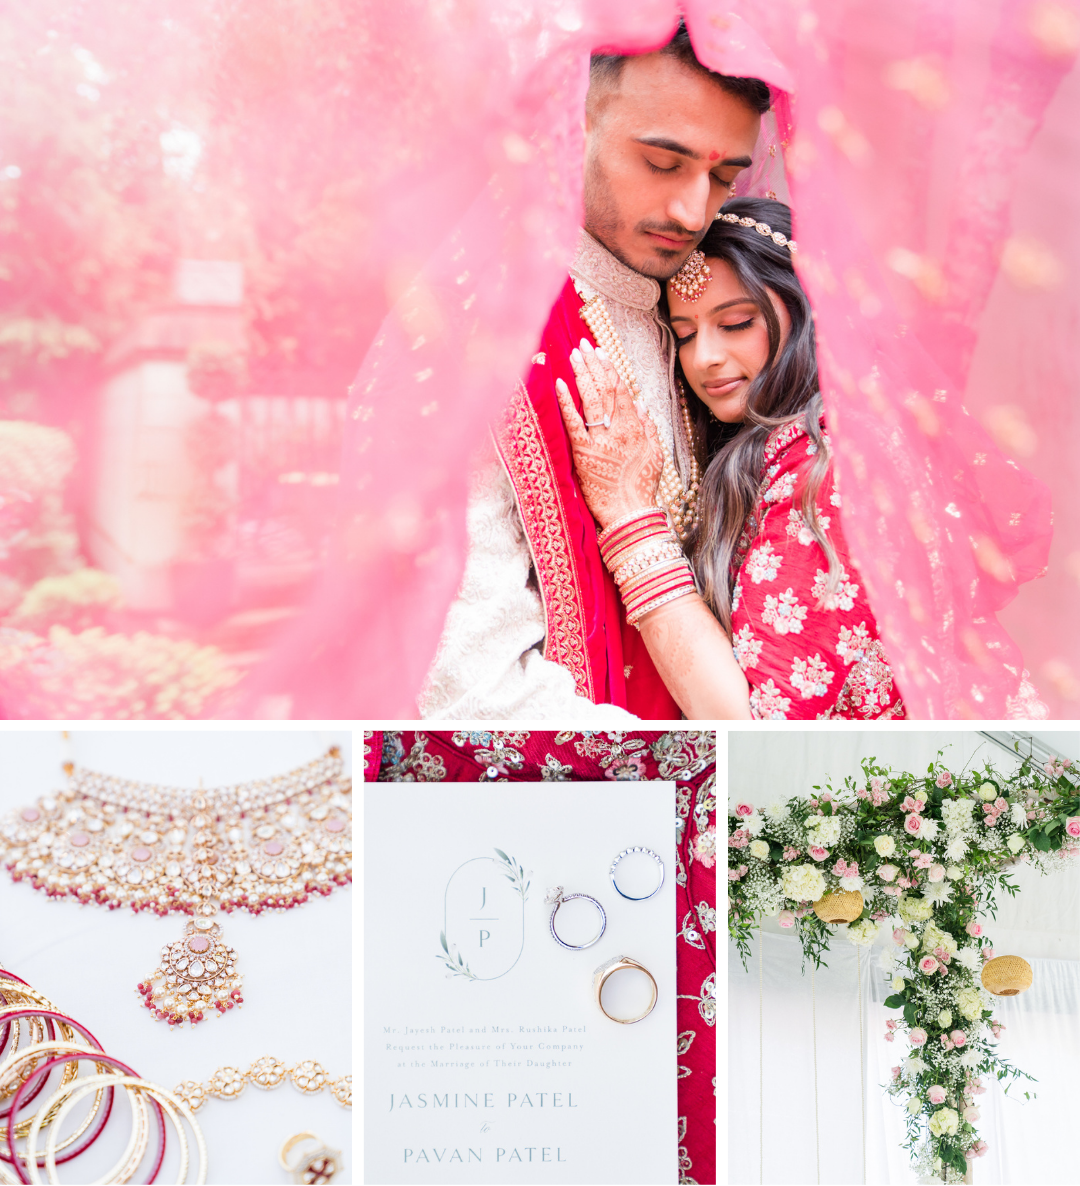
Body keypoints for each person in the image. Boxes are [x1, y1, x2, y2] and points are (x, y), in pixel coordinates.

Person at [418, 23, 770, 720]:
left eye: (724, 176)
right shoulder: (477, 331)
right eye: (663, 164)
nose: (694, 211)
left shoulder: (700, 311)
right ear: (569, 130)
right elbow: (470, 686)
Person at [555, 197, 906, 720]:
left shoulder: (829, 468)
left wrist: (631, 516)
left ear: (809, 310)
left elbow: (747, 730)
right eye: (686, 334)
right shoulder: (777, 449)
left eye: (737, 322)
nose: (705, 359)